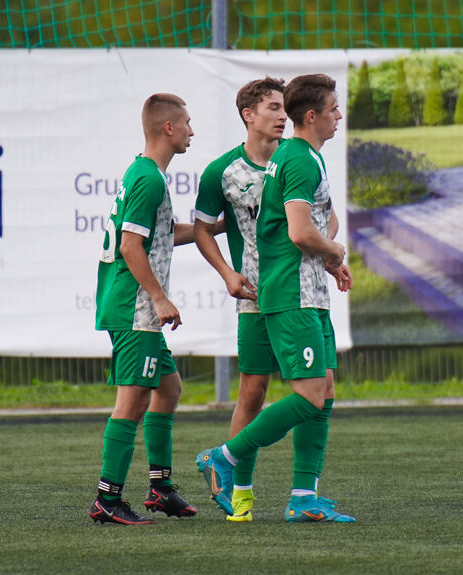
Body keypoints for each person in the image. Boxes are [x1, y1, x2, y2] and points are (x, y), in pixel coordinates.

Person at [195, 73, 355, 523]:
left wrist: (328, 255)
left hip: (305, 287)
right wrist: (334, 249)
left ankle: (304, 496)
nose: (339, 115)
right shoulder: (286, 162)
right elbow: (300, 231)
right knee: (290, 393)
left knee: (322, 390)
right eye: (334, 108)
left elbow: (317, 223)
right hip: (283, 291)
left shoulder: (291, 158)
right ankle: (227, 463)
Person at [88, 93, 200, 525]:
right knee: (133, 401)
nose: (192, 130)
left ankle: (160, 487)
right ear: (168, 128)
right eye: (187, 123)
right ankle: (107, 498)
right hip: (135, 308)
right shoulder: (150, 179)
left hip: (136, 308)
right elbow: (130, 246)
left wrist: (220, 224)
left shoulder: (145, 172)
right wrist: (158, 296)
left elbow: (158, 236)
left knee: (168, 390)